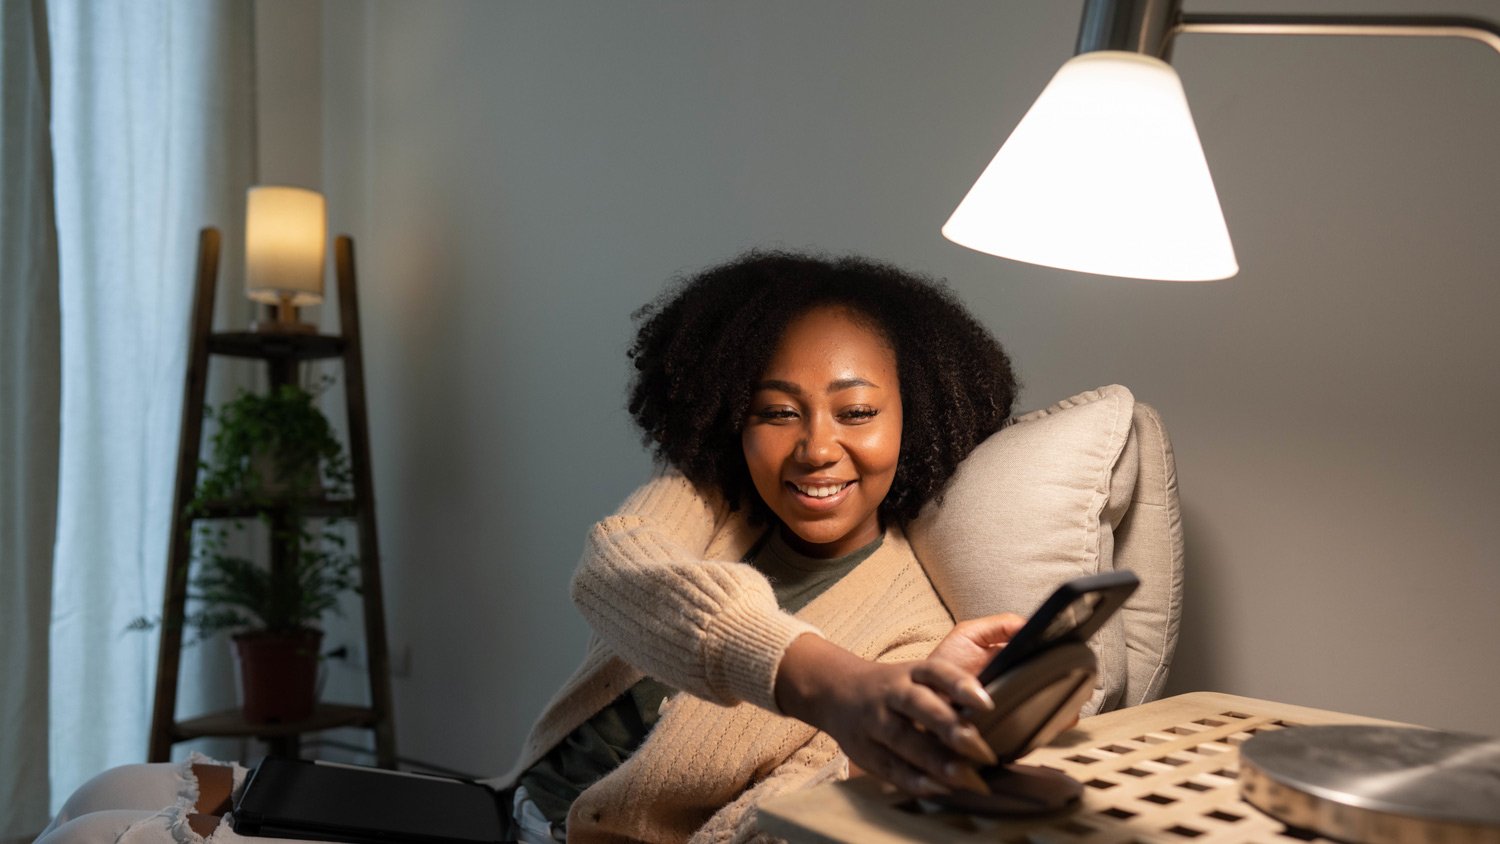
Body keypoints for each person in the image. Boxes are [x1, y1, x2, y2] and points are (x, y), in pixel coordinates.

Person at [39, 251, 1028, 844]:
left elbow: (757, 826)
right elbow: (616, 569)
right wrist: (813, 674)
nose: (818, 447)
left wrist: (870, 737)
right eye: (778, 412)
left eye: (857, 412)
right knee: (107, 787)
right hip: (495, 808)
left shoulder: (906, 637)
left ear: (920, 417)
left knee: (100, 833)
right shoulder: (714, 504)